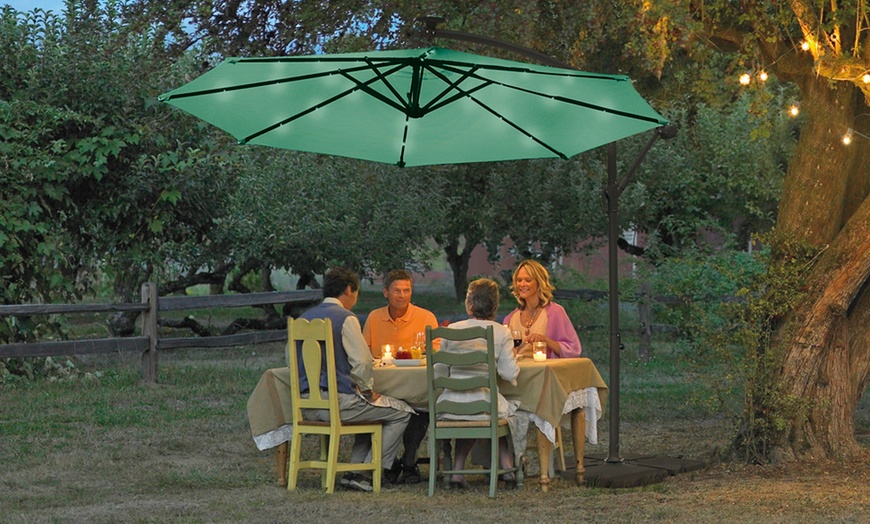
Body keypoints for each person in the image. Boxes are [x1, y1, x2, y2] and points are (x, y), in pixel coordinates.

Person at [297, 267, 411, 492]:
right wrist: (368, 390)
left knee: (369, 413)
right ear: (349, 290)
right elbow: (362, 362)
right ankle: (367, 472)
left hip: (306, 403)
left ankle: (354, 471)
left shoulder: (303, 319)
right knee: (402, 412)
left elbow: (293, 364)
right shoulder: (345, 319)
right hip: (338, 402)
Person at [436, 278, 520, 489]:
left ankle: (457, 471)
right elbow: (509, 374)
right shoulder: (501, 331)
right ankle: (508, 467)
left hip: (450, 405)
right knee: (505, 412)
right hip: (484, 405)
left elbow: (439, 371)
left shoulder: (451, 330)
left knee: (478, 413)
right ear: (495, 304)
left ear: (470, 303)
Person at [362, 269, 440, 484]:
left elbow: (436, 353)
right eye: (397, 290)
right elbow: (365, 354)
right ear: (385, 292)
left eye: (407, 290)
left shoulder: (425, 317)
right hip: (385, 387)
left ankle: (408, 460)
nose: (402, 295)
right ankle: (392, 462)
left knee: (418, 408)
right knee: (389, 407)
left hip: (417, 387)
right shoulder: (375, 317)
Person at [503, 259, 582, 359]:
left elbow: (573, 350)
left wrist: (545, 340)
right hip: (517, 373)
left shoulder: (555, 312)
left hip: (544, 372)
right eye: (519, 280)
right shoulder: (510, 319)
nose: (522, 284)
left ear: (539, 283)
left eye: (528, 280)